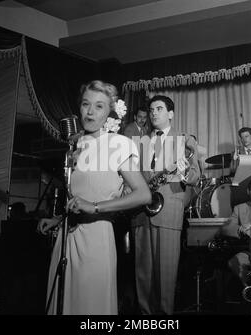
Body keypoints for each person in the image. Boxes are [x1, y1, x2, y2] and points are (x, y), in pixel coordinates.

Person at [37, 80, 152, 315]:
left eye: (99, 106)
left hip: (97, 237)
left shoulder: (119, 143)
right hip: (67, 238)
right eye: (85, 104)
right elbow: (79, 197)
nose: (90, 111)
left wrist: (95, 207)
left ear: (110, 111)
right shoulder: (75, 147)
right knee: (63, 304)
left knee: (90, 307)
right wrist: (59, 219)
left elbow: (143, 194)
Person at [131, 95, 200, 315]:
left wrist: (185, 172)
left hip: (169, 210)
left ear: (170, 114)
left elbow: (196, 175)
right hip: (141, 213)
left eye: (159, 109)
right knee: (142, 275)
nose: (154, 113)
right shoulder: (139, 141)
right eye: (151, 109)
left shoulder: (184, 139)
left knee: (166, 276)